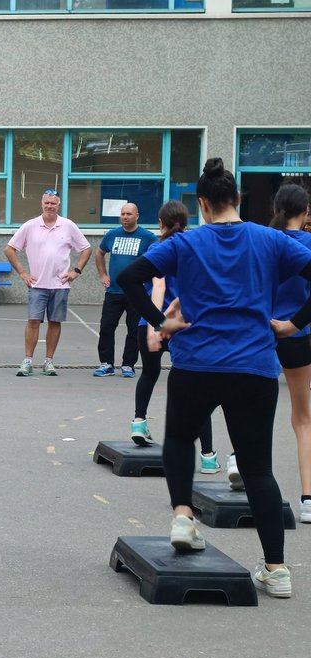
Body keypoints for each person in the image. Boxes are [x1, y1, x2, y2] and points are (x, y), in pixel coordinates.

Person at [118, 159, 311, 599]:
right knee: (259, 469)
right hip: (254, 368)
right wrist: (294, 324)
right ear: (238, 199)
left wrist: (159, 323)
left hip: (197, 365)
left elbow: (131, 277)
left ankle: (183, 515)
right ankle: (277, 570)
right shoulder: (271, 240)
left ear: (201, 204)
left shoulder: (184, 244)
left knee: (180, 440)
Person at [129, 201, 219, 475]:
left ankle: (139, 422)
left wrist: (154, 326)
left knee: (149, 373)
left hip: (155, 321)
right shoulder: (194, 247)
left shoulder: (157, 249)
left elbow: (158, 284)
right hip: (184, 324)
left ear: (160, 222)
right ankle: (207, 456)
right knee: (197, 391)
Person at [5, 190, 93, 377]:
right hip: (37, 285)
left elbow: (86, 249)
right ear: (42, 203)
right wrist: (22, 273)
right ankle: (27, 361)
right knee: (33, 321)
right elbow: (10, 249)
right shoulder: (30, 225)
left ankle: (48, 361)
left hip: (60, 285)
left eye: (53, 203)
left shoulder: (68, 226)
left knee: (55, 322)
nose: (49, 206)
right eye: (47, 202)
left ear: (58, 205)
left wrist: (76, 271)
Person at [269, 182, 311, 524]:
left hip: (262, 330)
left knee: (251, 405)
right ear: (306, 212)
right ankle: (308, 499)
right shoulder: (308, 244)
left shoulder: (266, 241)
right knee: (302, 419)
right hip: (298, 334)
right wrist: (295, 325)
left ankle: (239, 459)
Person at [93, 202, 156, 378]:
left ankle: (128, 365)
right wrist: (102, 274)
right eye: (122, 214)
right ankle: (106, 364)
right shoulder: (112, 235)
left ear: (137, 216)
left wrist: (149, 282)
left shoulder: (148, 237)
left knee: (134, 330)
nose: (125, 217)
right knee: (106, 327)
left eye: (129, 214)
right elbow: (99, 253)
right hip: (114, 291)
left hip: (136, 293)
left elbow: (158, 257)